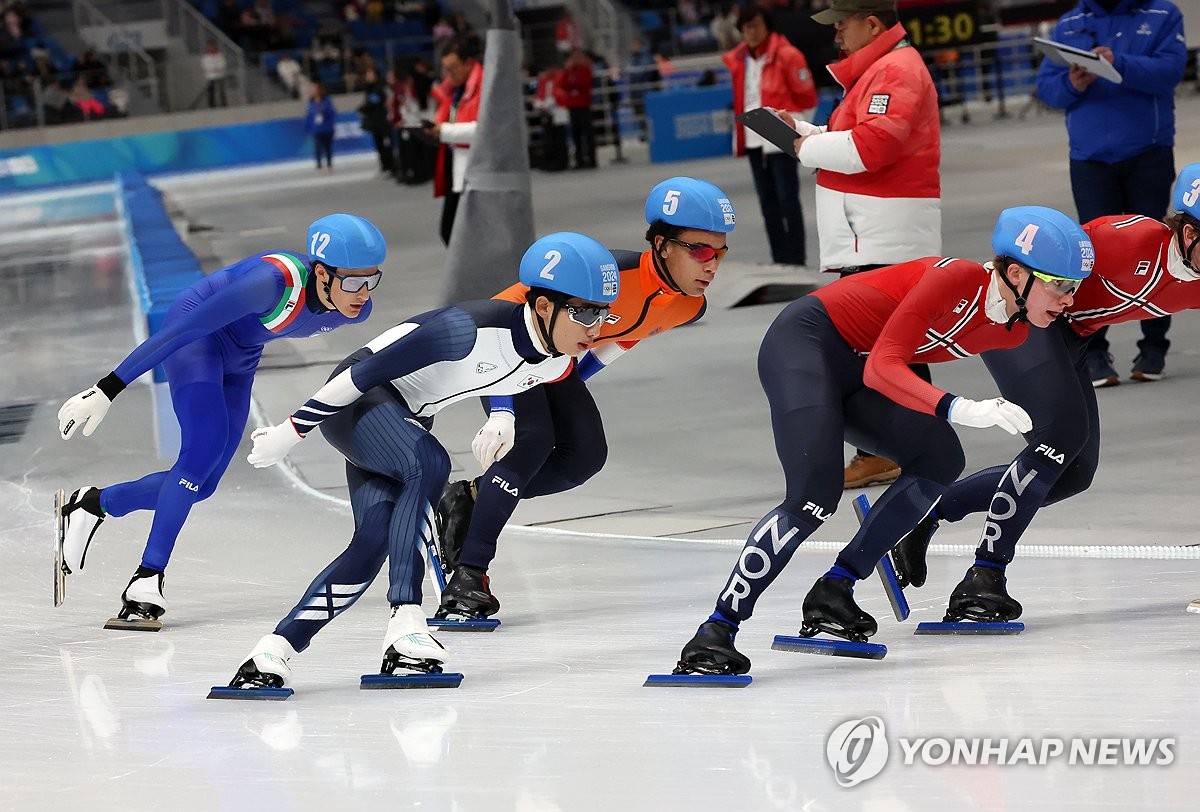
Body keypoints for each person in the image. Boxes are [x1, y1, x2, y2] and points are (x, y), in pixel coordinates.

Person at [669, 207, 1093, 675]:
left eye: (1074, 287)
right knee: (814, 495)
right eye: (1061, 284)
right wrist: (960, 407)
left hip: (857, 365)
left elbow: (884, 364)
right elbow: (885, 365)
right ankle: (714, 632)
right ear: (1016, 273)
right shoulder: (959, 277)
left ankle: (836, 588)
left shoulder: (1012, 334)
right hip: (806, 345)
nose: (1069, 298)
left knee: (939, 456)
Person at [220, 233, 621, 690]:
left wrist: (505, 415)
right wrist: (291, 430)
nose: (598, 325)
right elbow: (360, 374)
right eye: (586, 312)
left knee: (371, 543)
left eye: (605, 312)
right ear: (545, 307)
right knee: (430, 463)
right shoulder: (465, 328)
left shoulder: (553, 363)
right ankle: (406, 620)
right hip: (357, 403)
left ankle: (272, 652)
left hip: (405, 419)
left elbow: (511, 371)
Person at [891, 165, 1200, 622]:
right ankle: (984, 577)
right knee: (1061, 435)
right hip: (1020, 315)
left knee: (1073, 473)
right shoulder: (1124, 239)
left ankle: (921, 513)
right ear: (1189, 232)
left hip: (1069, 334)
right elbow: (1032, 263)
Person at [54, 215, 387, 625]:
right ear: (321, 273)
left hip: (243, 355)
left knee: (203, 486)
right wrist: (107, 388)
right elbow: (180, 331)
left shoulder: (354, 309)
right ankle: (146, 578)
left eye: (372, 280)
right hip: (197, 339)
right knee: (201, 453)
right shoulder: (271, 283)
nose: (363, 294)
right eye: (353, 282)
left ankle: (93, 504)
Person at [433, 177, 737, 620]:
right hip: (506, 352)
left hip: (557, 362)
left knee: (584, 458)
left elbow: (624, 338)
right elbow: (496, 318)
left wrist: (571, 383)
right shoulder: (604, 273)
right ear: (662, 244)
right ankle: (468, 575)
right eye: (701, 251)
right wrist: (501, 410)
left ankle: (469, 498)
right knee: (532, 441)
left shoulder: (689, 305)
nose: (713, 265)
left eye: (721, 252)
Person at [785, 0, 942, 489]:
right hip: (875, 235)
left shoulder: (896, 69)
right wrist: (805, 133)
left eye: (841, 24)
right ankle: (898, 447)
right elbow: (855, 137)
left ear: (872, 23)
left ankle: (897, 448)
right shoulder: (883, 70)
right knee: (891, 347)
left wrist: (804, 146)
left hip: (882, 238)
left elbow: (873, 147)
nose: (835, 35)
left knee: (887, 349)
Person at [1034, 0, 1186, 387]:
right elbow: (1048, 89)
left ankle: (1154, 349)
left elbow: (1171, 71)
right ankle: (1095, 353)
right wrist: (1071, 83)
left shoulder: (1162, 14)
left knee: (1158, 249)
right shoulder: (1071, 24)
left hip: (1147, 152)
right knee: (1089, 254)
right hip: (1090, 160)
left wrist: (1119, 64)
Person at [722, 4, 816, 267]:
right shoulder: (739, 59)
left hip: (778, 135)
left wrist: (799, 132)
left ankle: (796, 259)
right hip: (752, 136)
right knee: (767, 203)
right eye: (746, 27)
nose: (751, 32)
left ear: (767, 27)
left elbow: (807, 97)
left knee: (788, 200)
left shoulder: (787, 55)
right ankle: (780, 260)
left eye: (756, 26)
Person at [425, 36, 482, 246]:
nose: (448, 75)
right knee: (452, 232)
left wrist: (444, 131)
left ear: (468, 63)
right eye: (445, 69)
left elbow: (485, 130)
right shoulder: (456, 88)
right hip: (455, 165)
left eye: (453, 68)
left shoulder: (484, 85)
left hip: (475, 170)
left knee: (456, 233)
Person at [557, 48, 595, 170]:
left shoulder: (585, 69)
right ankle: (579, 160)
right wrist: (567, 70)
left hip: (583, 105)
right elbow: (562, 84)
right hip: (572, 105)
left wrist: (573, 86)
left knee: (588, 133)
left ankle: (591, 158)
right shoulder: (569, 71)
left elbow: (584, 84)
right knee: (576, 134)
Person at [358, 64, 393, 175]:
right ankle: (384, 165)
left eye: (370, 74)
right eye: (367, 74)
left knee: (385, 144)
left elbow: (374, 101)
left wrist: (362, 109)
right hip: (375, 122)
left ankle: (389, 166)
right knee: (379, 144)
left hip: (381, 121)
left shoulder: (379, 88)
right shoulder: (370, 88)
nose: (368, 76)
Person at [305, 82, 336, 172]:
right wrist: (308, 128)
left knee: (328, 147)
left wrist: (324, 112)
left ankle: (329, 163)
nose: (313, 91)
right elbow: (309, 117)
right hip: (317, 129)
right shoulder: (311, 103)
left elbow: (332, 113)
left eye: (314, 89)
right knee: (318, 147)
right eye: (312, 89)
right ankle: (319, 165)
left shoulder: (327, 101)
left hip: (327, 128)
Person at [200, 40, 228, 108]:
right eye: (209, 46)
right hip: (211, 75)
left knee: (221, 90)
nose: (210, 48)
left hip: (219, 74)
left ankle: (223, 104)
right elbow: (204, 64)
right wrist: (211, 69)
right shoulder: (206, 56)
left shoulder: (219, 54)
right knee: (211, 90)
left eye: (211, 46)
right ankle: (212, 104)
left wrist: (218, 68)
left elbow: (223, 63)